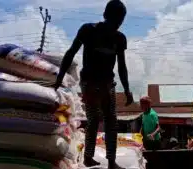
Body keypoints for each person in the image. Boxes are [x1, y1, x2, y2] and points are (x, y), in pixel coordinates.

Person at [54, 0, 134, 168]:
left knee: (111, 121)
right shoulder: (88, 30)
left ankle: (111, 161)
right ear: (105, 16)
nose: (117, 24)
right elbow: (71, 53)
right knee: (94, 119)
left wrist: (127, 89)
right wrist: (59, 77)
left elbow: (122, 66)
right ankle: (89, 157)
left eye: (120, 20)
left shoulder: (119, 39)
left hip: (108, 84)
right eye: (115, 19)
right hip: (89, 83)